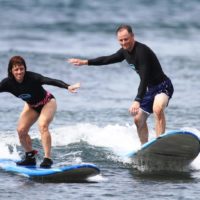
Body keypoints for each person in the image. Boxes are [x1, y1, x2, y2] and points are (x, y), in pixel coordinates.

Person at [68, 24, 174, 145]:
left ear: (132, 36)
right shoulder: (124, 52)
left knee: (157, 108)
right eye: (121, 40)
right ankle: (145, 147)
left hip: (163, 86)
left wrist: (137, 100)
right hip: (150, 89)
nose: (124, 43)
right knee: (138, 119)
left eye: (126, 39)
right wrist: (85, 62)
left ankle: (160, 143)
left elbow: (144, 78)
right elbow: (107, 59)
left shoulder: (142, 52)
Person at [0, 56, 80, 168]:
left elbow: (50, 80)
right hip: (31, 106)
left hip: (47, 102)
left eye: (21, 69)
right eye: (16, 69)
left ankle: (48, 159)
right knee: (21, 130)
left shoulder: (33, 77)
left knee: (42, 125)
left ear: (25, 68)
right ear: (11, 71)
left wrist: (67, 86)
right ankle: (30, 157)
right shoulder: (7, 83)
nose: (19, 72)